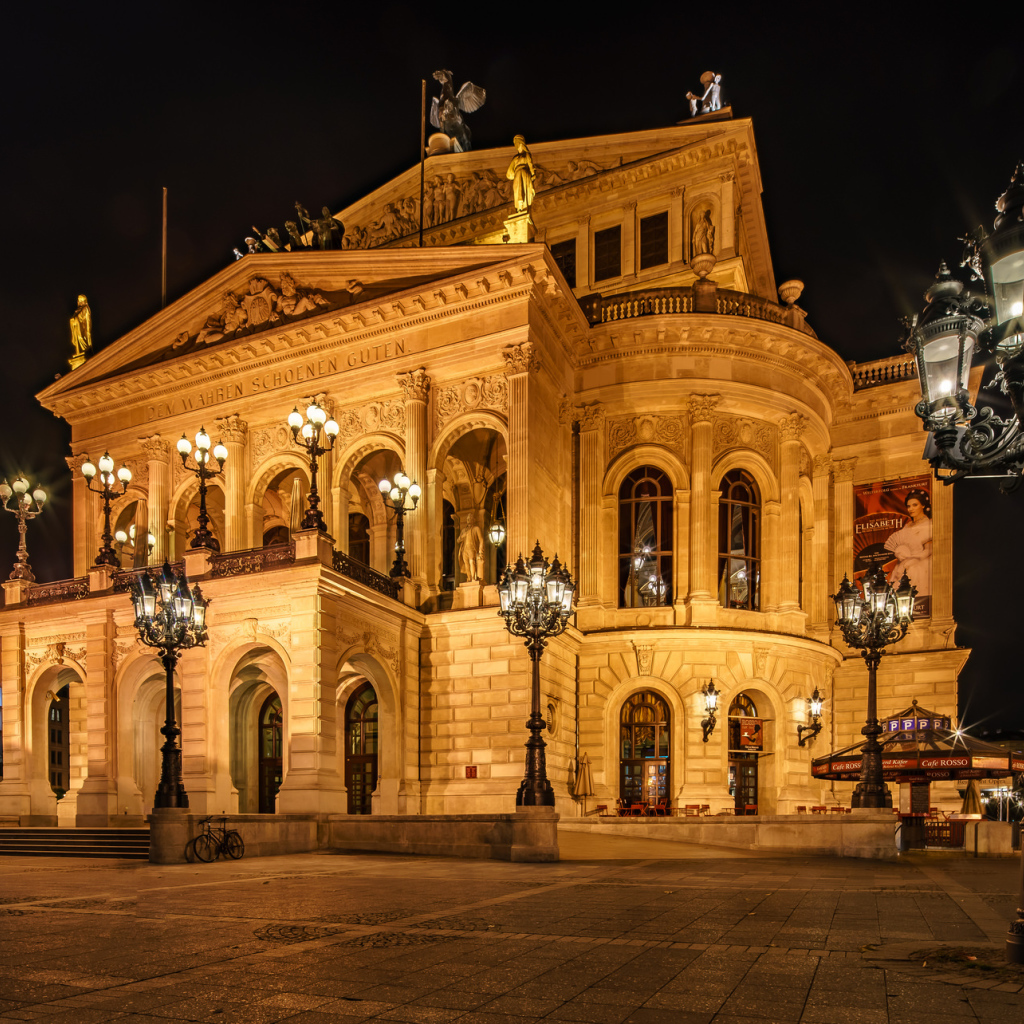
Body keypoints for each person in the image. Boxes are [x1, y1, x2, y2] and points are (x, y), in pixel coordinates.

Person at [885, 490, 932, 596]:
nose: (911, 509)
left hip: (919, 564)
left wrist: (912, 559)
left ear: (923, 505)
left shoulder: (928, 525)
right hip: (902, 564)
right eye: (908, 506)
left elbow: (929, 550)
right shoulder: (908, 525)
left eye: (915, 505)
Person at [506, 135, 536, 213]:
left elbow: (530, 165)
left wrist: (533, 174)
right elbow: (509, 173)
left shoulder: (526, 155)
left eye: (516, 142)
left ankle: (522, 207)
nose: (515, 145)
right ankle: (519, 207)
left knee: (523, 192)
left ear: (520, 143)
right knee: (517, 190)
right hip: (517, 175)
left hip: (524, 174)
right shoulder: (515, 157)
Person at [69, 294, 92, 359]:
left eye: (82, 301)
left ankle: (85, 349)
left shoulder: (85, 308)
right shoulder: (78, 310)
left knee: (81, 337)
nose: (80, 302)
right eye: (79, 301)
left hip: (82, 327)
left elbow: (83, 318)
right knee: (78, 337)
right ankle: (80, 351)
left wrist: (75, 319)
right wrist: (72, 320)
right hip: (77, 326)